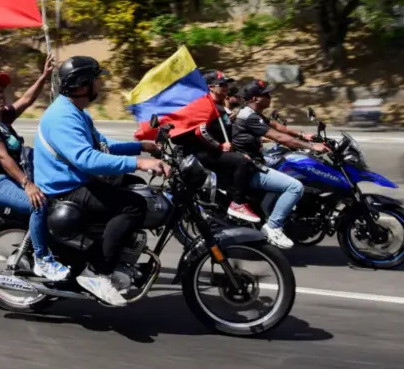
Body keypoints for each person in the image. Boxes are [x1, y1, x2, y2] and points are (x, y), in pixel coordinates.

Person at [34, 56, 171, 306]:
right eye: (97, 79)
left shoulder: (76, 112)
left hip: (78, 179)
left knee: (133, 185)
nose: (100, 83)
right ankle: (99, 272)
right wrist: (139, 162)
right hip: (66, 187)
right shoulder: (63, 116)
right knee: (133, 205)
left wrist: (140, 146)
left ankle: (118, 251)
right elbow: (86, 159)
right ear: (83, 84)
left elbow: (102, 146)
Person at [0, 54, 69, 281]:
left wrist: (44, 77)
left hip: (13, 175)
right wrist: (28, 185)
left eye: (0, 91)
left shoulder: (1, 118)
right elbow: (4, 159)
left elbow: (26, 99)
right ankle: (43, 259)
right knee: (39, 204)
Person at [231, 79, 329, 249]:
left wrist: (303, 135)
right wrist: (312, 147)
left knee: (286, 162)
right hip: (250, 168)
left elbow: (277, 126)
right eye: (266, 94)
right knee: (295, 187)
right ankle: (273, 227)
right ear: (255, 98)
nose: (270, 96)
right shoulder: (249, 116)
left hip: (255, 162)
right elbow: (279, 137)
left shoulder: (252, 113)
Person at [178, 71, 261, 223]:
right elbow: (200, 131)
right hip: (205, 153)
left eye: (226, 84)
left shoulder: (218, 105)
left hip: (213, 151)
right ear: (210, 87)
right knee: (242, 161)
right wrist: (220, 146)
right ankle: (237, 204)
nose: (226, 87)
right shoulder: (206, 103)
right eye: (221, 85)